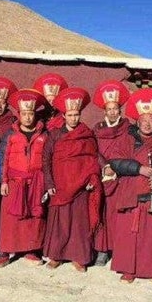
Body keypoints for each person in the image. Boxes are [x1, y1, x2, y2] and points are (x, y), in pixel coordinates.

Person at [108, 89, 152, 284]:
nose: (147, 124)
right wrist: (138, 168)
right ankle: (129, 270)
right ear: (137, 121)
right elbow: (115, 162)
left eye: (151, 120)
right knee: (131, 237)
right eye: (143, 120)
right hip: (133, 196)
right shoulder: (127, 140)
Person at [42, 87, 102, 272]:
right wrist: (50, 183)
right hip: (60, 185)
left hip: (81, 186)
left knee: (78, 223)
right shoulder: (54, 135)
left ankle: (79, 257)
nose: (73, 118)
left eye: (76, 115)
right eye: (70, 115)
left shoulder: (86, 133)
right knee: (60, 223)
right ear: (64, 115)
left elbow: (93, 158)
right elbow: (46, 160)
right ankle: (56, 256)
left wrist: (93, 177)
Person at [0, 89, 48, 268]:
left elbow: (48, 161)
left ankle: (31, 250)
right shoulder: (11, 135)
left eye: (30, 113)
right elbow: (3, 159)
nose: (28, 117)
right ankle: (5, 252)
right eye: (24, 114)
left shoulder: (43, 136)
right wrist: (4, 181)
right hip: (15, 182)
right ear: (19, 115)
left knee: (34, 218)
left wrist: (46, 184)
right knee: (10, 219)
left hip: (36, 182)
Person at [90, 80, 131, 266]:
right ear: (104, 111)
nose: (113, 112)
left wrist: (116, 167)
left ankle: (119, 249)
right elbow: (93, 150)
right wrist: (104, 165)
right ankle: (101, 250)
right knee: (103, 213)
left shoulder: (128, 129)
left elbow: (130, 150)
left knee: (119, 215)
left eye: (116, 108)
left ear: (120, 110)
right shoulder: (97, 130)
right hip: (102, 176)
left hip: (121, 177)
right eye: (109, 109)